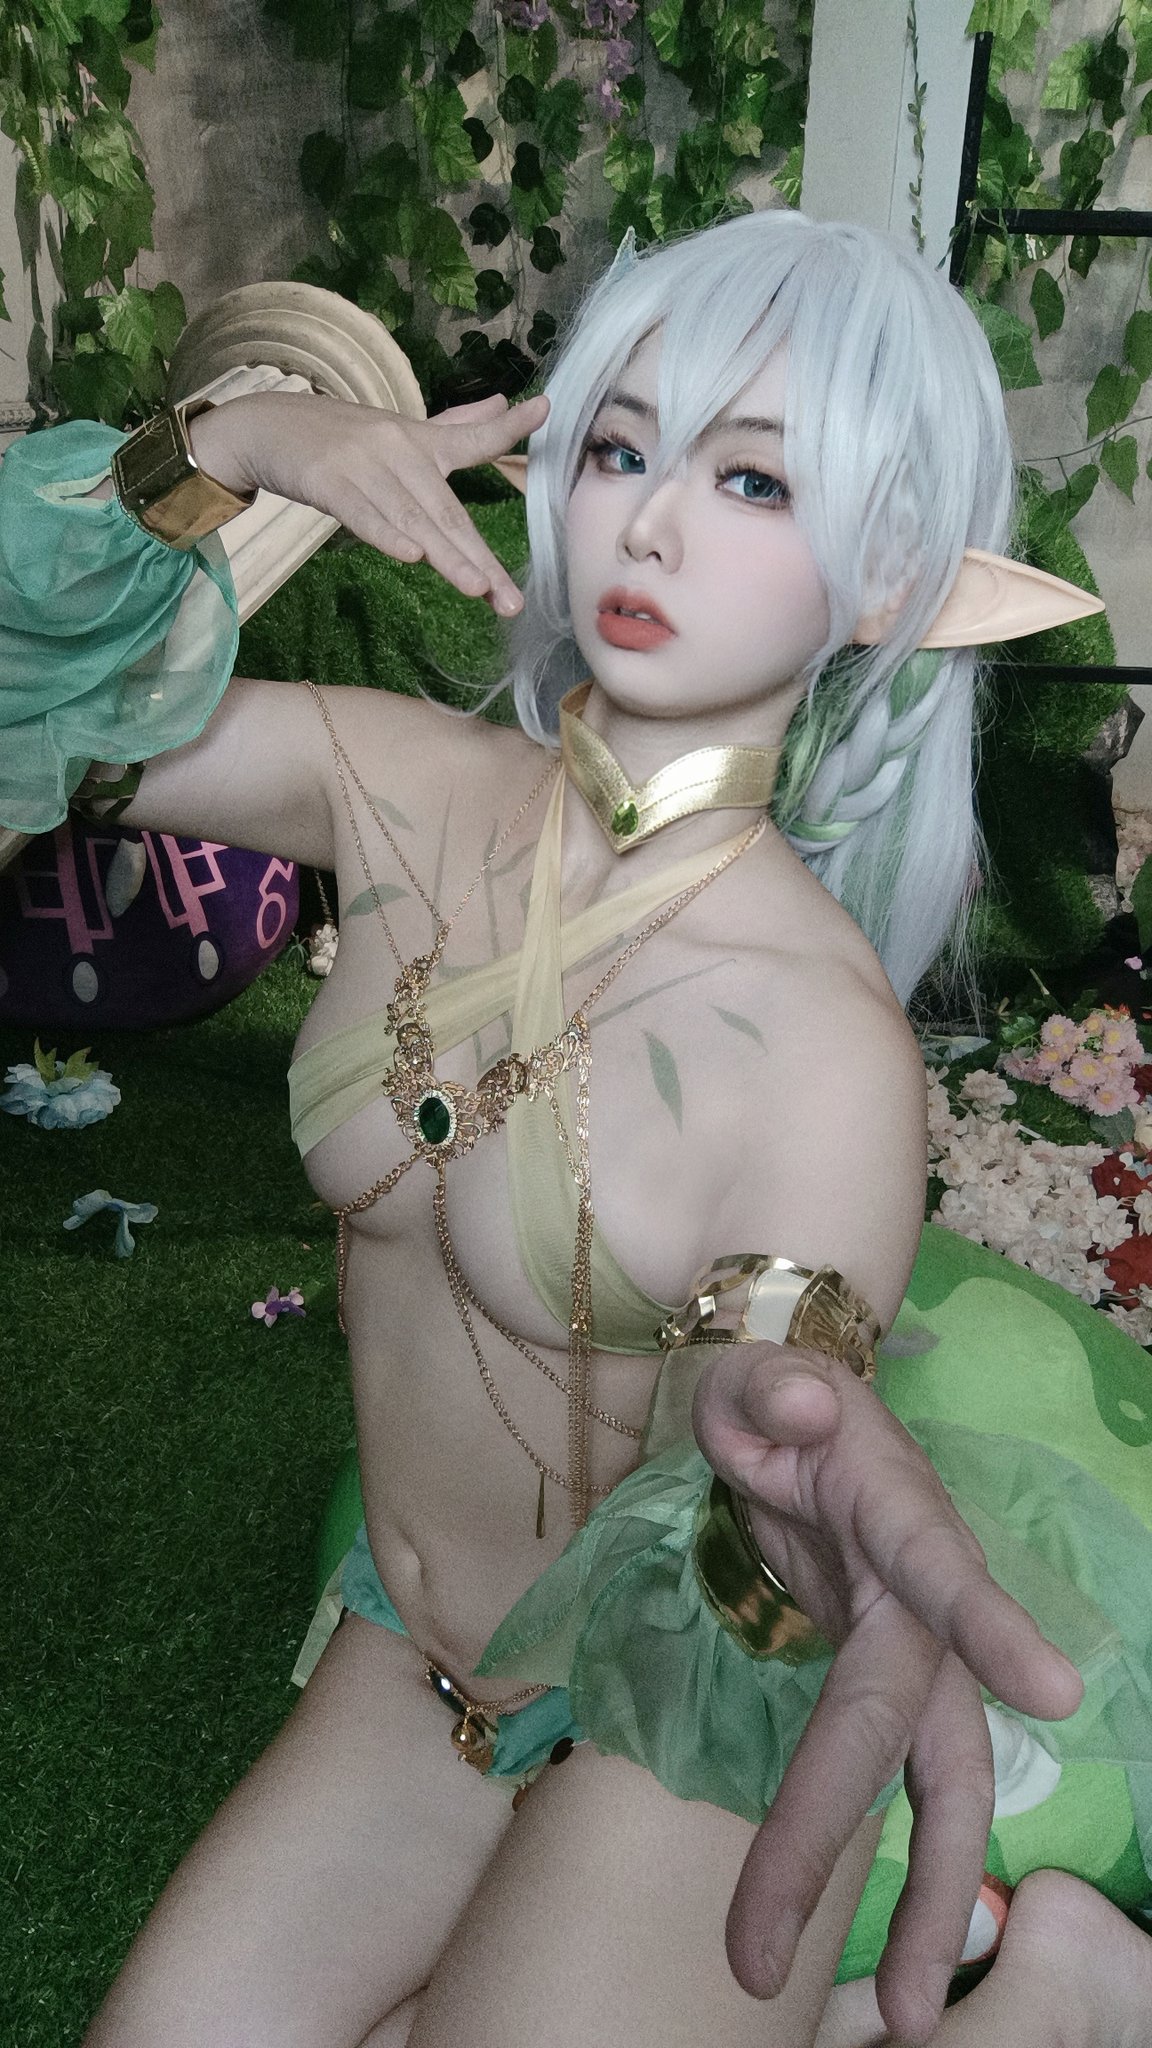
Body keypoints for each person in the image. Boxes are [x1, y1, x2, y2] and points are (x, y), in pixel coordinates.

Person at [2, 207, 1150, 2048]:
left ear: (884, 581)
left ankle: (1059, 1994)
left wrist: (802, 1470)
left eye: (752, 479)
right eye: (620, 448)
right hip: (412, 1666)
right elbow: (33, 712)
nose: (652, 522)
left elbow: (760, 1421)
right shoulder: (389, 783)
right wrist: (228, 443)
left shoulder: (826, 1045)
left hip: (677, 1699)